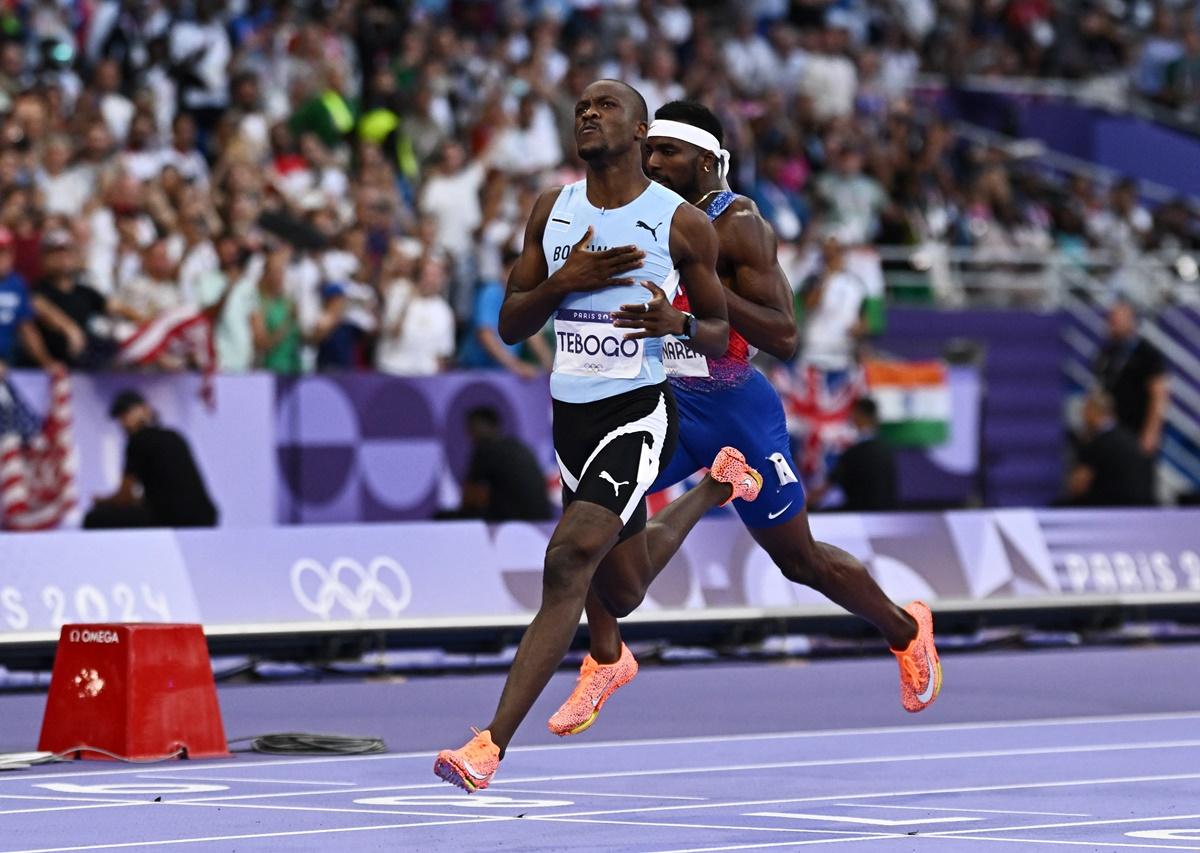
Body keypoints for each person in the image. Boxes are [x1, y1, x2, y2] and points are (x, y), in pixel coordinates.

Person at [546, 101, 939, 742]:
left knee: (799, 560)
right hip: (663, 401)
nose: (651, 163)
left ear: (706, 159)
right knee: (591, 518)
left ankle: (904, 630)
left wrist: (704, 292)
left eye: (667, 153)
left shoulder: (741, 224)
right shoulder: (643, 215)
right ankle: (607, 659)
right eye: (649, 152)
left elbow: (784, 335)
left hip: (731, 403)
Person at [434, 80, 760, 793]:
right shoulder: (553, 210)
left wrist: (672, 325)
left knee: (569, 556)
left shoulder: (679, 223)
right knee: (623, 583)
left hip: (638, 408)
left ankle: (490, 744)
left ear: (640, 130)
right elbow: (512, 324)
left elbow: (718, 333)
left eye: (605, 105)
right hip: (570, 416)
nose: (588, 111)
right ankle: (712, 487)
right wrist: (565, 281)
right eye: (581, 104)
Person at [84, 390, 218, 529]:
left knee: (93, 519)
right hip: (204, 515)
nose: (124, 421)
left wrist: (104, 502)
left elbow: (125, 496)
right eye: (121, 417)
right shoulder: (174, 436)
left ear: (145, 409)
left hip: (169, 517)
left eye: (127, 413)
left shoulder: (137, 441)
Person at [1093, 300, 1169, 458]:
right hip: (1113, 430)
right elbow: (1100, 390)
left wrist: (1151, 433)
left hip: (1137, 429)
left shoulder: (1148, 353)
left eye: (1117, 319)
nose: (1112, 323)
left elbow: (1159, 394)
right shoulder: (1107, 354)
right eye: (1111, 318)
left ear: (1131, 320)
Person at [450, 406, 552, 522]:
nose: (470, 434)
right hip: (541, 519)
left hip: (511, 522)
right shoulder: (520, 447)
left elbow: (469, 497)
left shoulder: (485, 449)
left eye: (472, 428)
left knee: (445, 517)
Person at [1066, 390, 1155, 507]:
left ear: (1094, 411)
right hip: (1142, 507)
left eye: (1085, 410)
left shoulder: (1096, 443)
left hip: (1108, 509)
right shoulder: (1132, 439)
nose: (1082, 416)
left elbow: (1078, 486)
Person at [817, 397, 899, 511]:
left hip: (859, 516)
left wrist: (804, 505)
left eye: (853, 413)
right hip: (888, 515)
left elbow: (827, 487)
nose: (851, 417)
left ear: (859, 414)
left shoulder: (855, 453)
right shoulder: (886, 450)